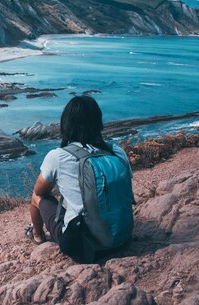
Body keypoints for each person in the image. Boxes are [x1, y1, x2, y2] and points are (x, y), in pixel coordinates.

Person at [26, 95, 132, 260]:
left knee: (37, 197)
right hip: (123, 239)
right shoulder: (116, 152)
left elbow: (40, 190)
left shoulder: (58, 156)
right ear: (98, 122)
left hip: (82, 248)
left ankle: (38, 235)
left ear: (66, 124)